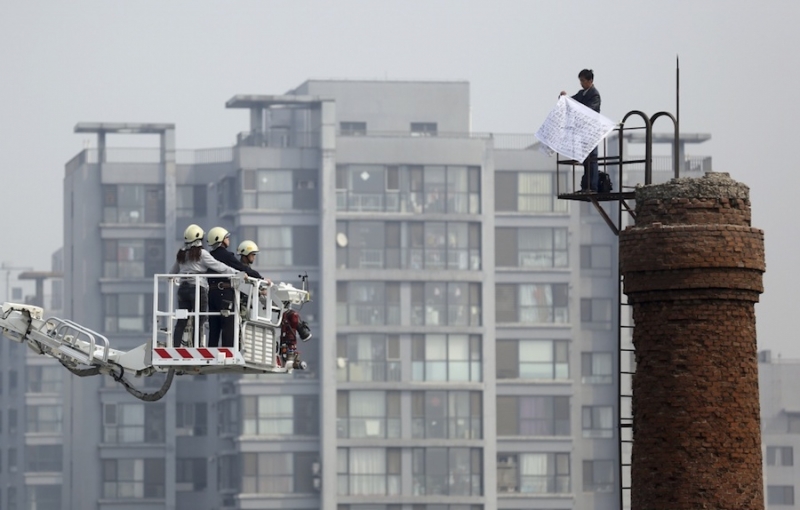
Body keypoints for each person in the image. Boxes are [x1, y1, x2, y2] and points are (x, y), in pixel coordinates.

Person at [236, 240, 312, 370]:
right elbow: (246, 286)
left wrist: (262, 290)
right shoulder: (242, 270)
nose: (254, 257)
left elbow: (252, 286)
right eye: (253, 254)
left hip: (249, 305)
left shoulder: (247, 270)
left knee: (289, 316)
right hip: (243, 306)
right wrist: (261, 287)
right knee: (242, 328)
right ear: (245, 254)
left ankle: (289, 350)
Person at [169, 224, 238, 348]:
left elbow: (172, 273)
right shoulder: (202, 253)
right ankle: (197, 346)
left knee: (181, 319)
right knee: (199, 319)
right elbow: (219, 267)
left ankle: (176, 345)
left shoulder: (181, 254)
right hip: (197, 289)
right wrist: (236, 273)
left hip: (182, 290)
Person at [206, 227, 262, 347]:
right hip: (225, 294)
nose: (229, 240)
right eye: (226, 237)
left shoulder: (209, 256)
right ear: (221, 240)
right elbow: (241, 268)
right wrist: (260, 278)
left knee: (214, 327)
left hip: (211, 294)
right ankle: (228, 352)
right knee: (228, 327)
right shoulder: (226, 255)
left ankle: (211, 351)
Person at [561, 68, 602, 192]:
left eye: (583, 81)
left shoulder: (594, 95)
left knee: (592, 158)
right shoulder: (582, 93)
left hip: (591, 130)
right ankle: (586, 185)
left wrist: (577, 107)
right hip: (583, 130)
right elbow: (571, 101)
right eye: (580, 81)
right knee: (585, 158)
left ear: (590, 80)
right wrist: (564, 97)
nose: (581, 83)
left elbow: (589, 110)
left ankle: (592, 186)